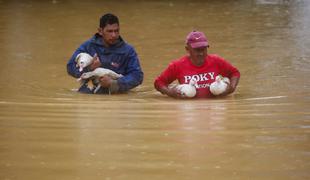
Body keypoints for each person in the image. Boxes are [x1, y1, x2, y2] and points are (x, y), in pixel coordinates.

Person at [67, 13, 143, 94]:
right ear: (100, 31)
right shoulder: (88, 46)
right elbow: (70, 67)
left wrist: (113, 83)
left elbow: (137, 76)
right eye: (109, 31)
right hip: (89, 92)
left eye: (116, 31)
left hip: (117, 94)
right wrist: (89, 68)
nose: (114, 35)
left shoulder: (128, 50)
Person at [154, 30, 240, 98]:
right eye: (197, 50)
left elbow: (234, 73)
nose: (201, 53)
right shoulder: (177, 65)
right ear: (187, 49)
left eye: (204, 49)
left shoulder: (216, 61)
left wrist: (231, 88)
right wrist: (170, 93)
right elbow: (159, 82)